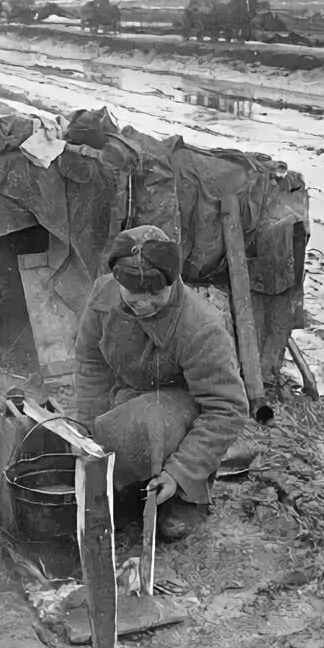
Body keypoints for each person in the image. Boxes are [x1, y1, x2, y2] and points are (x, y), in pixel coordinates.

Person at [74, 224, 249, 542]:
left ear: (172, 282)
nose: (142, 302)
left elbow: (227, 409)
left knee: (150, 420)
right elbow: (91, 365)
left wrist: (179, 472)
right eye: (133, 293)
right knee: (109, 435)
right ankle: (127, 482)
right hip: (127, 396)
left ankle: (186, 495)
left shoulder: (202, 327)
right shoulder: (105, 295)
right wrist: (86, 433)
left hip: (180, 412)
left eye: (154, 293)